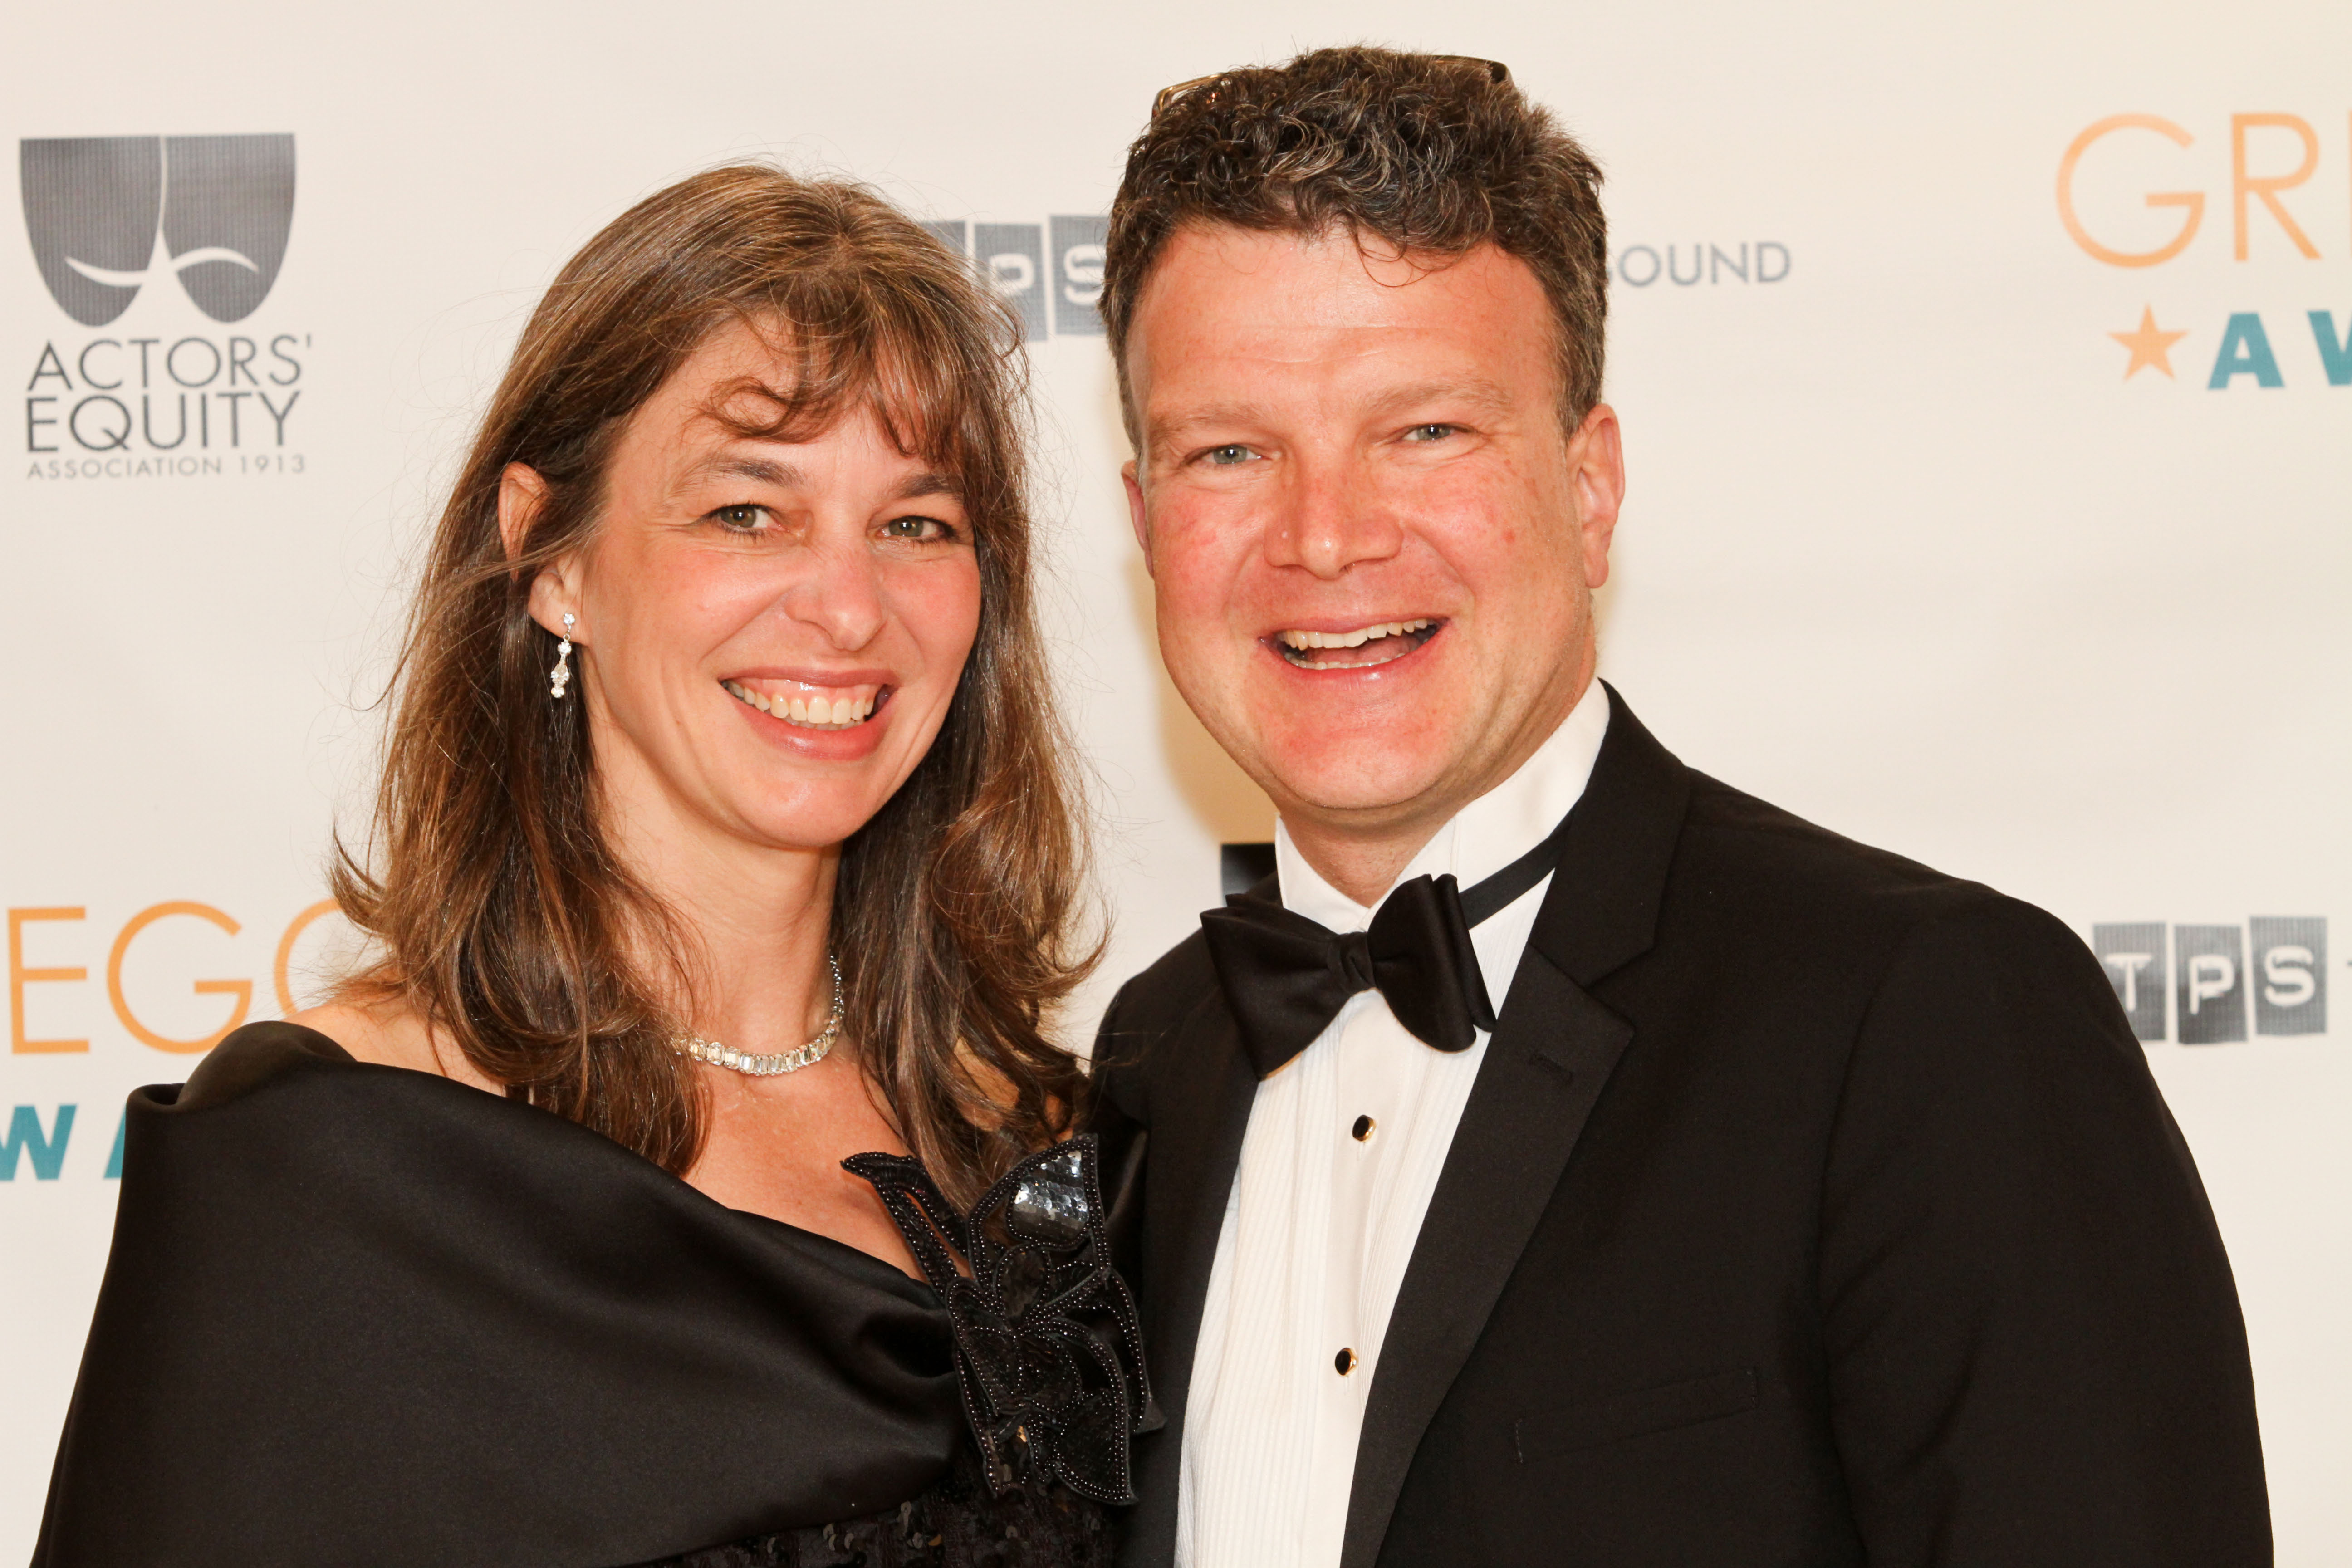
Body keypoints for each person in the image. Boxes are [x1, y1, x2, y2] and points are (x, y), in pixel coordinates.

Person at [1087, 47, 2269, 1568]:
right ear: (1144, 522)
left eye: (1425, 431)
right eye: (1232, 451)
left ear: (1590, 488)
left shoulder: (1924, 1021)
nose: (1325, 537)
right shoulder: (1146, 1067)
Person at [36, 166, 1150, 1568]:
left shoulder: (1046, 1147)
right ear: (549, 551)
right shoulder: (334, 1165)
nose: (848, 603)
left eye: (917, 523)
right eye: (748, 510)